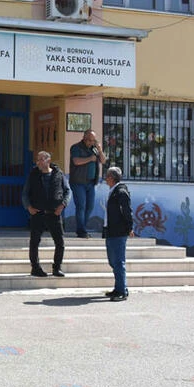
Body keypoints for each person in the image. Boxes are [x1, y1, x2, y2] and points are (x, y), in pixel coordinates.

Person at [22, 151, 72, 277]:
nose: (38, 162)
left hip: (54, 213)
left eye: (40, 159)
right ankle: (35, 268)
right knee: (34, 242)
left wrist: (63, 205)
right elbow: (25, 193)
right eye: (37, 160)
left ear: (48, 161)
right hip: (38, 213)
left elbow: (67, 191)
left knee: (60, 242)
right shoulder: (33, 174)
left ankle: (57, 268)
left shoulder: (58, 174)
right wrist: (29, 207)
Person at [102, 167, 134, 302]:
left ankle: (122, 291)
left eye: (107, 176)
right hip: (110, 231)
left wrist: (129, 227)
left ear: (112, 177)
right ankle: (118, 287)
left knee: (118, 261)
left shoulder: (120, 192)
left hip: (118, 231)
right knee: (112, 260)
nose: (105, 178)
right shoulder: (113, 191)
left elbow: (127, 211)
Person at [69, 129, 106, 238]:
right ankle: (81, 231)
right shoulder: (76, 147)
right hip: (78, 182)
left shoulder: (95, 149)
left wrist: (100, 150)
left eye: (93, 140)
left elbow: (103, 161)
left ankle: (83, 227)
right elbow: (76, 161)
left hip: (91, 183)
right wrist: (90, 158)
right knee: (81, 206)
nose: (91, 142)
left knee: (89, 206)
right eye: (89, 140)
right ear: (84, 138)